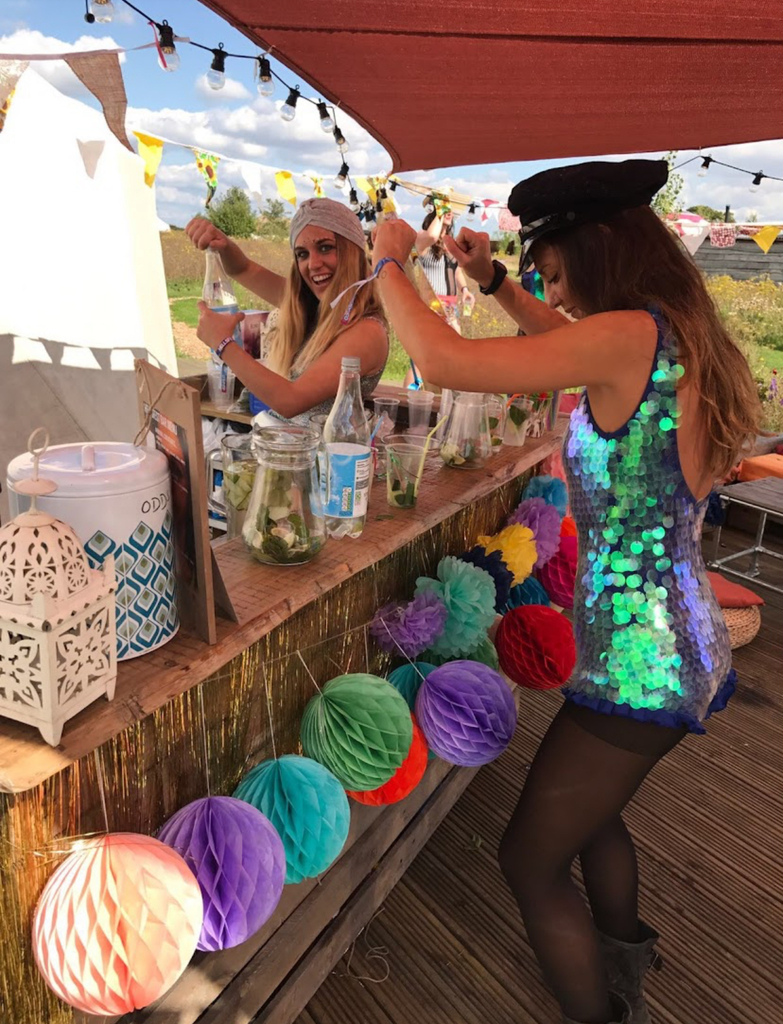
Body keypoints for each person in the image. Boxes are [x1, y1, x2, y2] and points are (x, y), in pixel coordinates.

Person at [369, 159, 760, 1024]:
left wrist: (386, 259)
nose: (556, 295)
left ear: (594, 248)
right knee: (588, 818)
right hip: (664, 641)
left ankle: (601, 1010)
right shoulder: (665, 333)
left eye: (552, 270)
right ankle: (624, 954)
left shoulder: (628, 337)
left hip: (639, 659)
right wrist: (497, 282)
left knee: (526, 860)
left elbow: (441, 360)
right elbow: (558, 337)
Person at [185, 197, 388, 424]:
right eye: (302, 254)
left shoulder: (367, 331)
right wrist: (222, 244)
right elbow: (244, 269)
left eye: (325, 248)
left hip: (325, 458)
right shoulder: (314, 306)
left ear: (352, 251)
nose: (313, 264)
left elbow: (291, 401)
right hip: (288, 452)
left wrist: (223, 344)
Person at [415, 208, 475, 331]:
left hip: (451, 307)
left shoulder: (451, 244)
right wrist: (440, 213)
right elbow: (432, 235)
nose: (449, 213)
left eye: (450, 211)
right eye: (444, 210)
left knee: (456, 346)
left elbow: (456, 271)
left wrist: (465, 290)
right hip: (432, 305)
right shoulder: (423, 240)